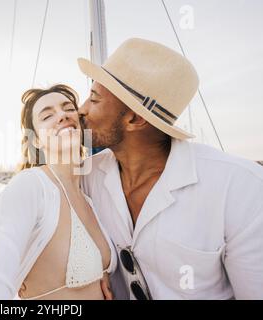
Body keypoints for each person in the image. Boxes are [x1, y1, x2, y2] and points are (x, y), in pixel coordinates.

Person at [77, 38, 263, 299]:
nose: (81, 109)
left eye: (94, 100)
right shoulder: (84, 179)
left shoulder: (241, 187)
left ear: (134, 118)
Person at [0, 84, 116, 299]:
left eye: (68, 108)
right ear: (36, 139)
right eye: (47, 116)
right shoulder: (32, 185)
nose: (62, 116)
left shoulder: (89, 193)